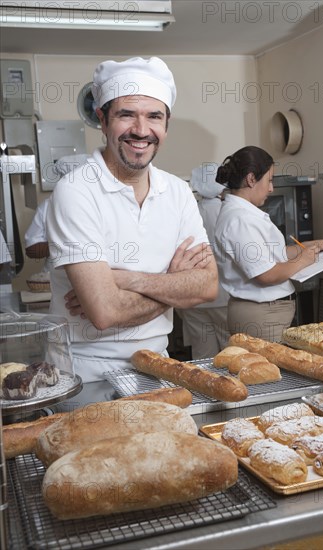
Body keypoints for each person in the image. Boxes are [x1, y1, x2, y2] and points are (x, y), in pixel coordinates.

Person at [46, 57, 218, 382]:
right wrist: (174, 286)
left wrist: (125, 280)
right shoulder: (76, 191)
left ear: (167, 124)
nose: (141, 130)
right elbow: (105, 313)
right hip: (86, 375)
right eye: (127, 115)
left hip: (158, 366)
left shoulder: (178, 192)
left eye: (154, 116)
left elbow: (207, 286)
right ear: (102, 119)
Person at [214, 145, 323, 342]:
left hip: (266, 314)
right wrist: (304, 260)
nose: (271, 189)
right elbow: (266, 274)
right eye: (269, 180)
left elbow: (275, 253)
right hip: (261, 315)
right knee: (268, 372)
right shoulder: (240, 220)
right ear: (251, 178)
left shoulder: (244, 214)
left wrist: (311, 245)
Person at [177, 163, 230, 359]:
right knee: (229, 351)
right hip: (223, 296)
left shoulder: (188, 213)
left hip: (194, 298)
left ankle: (203, 389)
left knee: (203, 354)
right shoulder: (228, 212)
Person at [24, 155, 90, 271]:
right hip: (57, 281)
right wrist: (63, 247)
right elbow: (31, 249)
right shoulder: (48, 206)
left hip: (95, 276)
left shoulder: (102, 205)